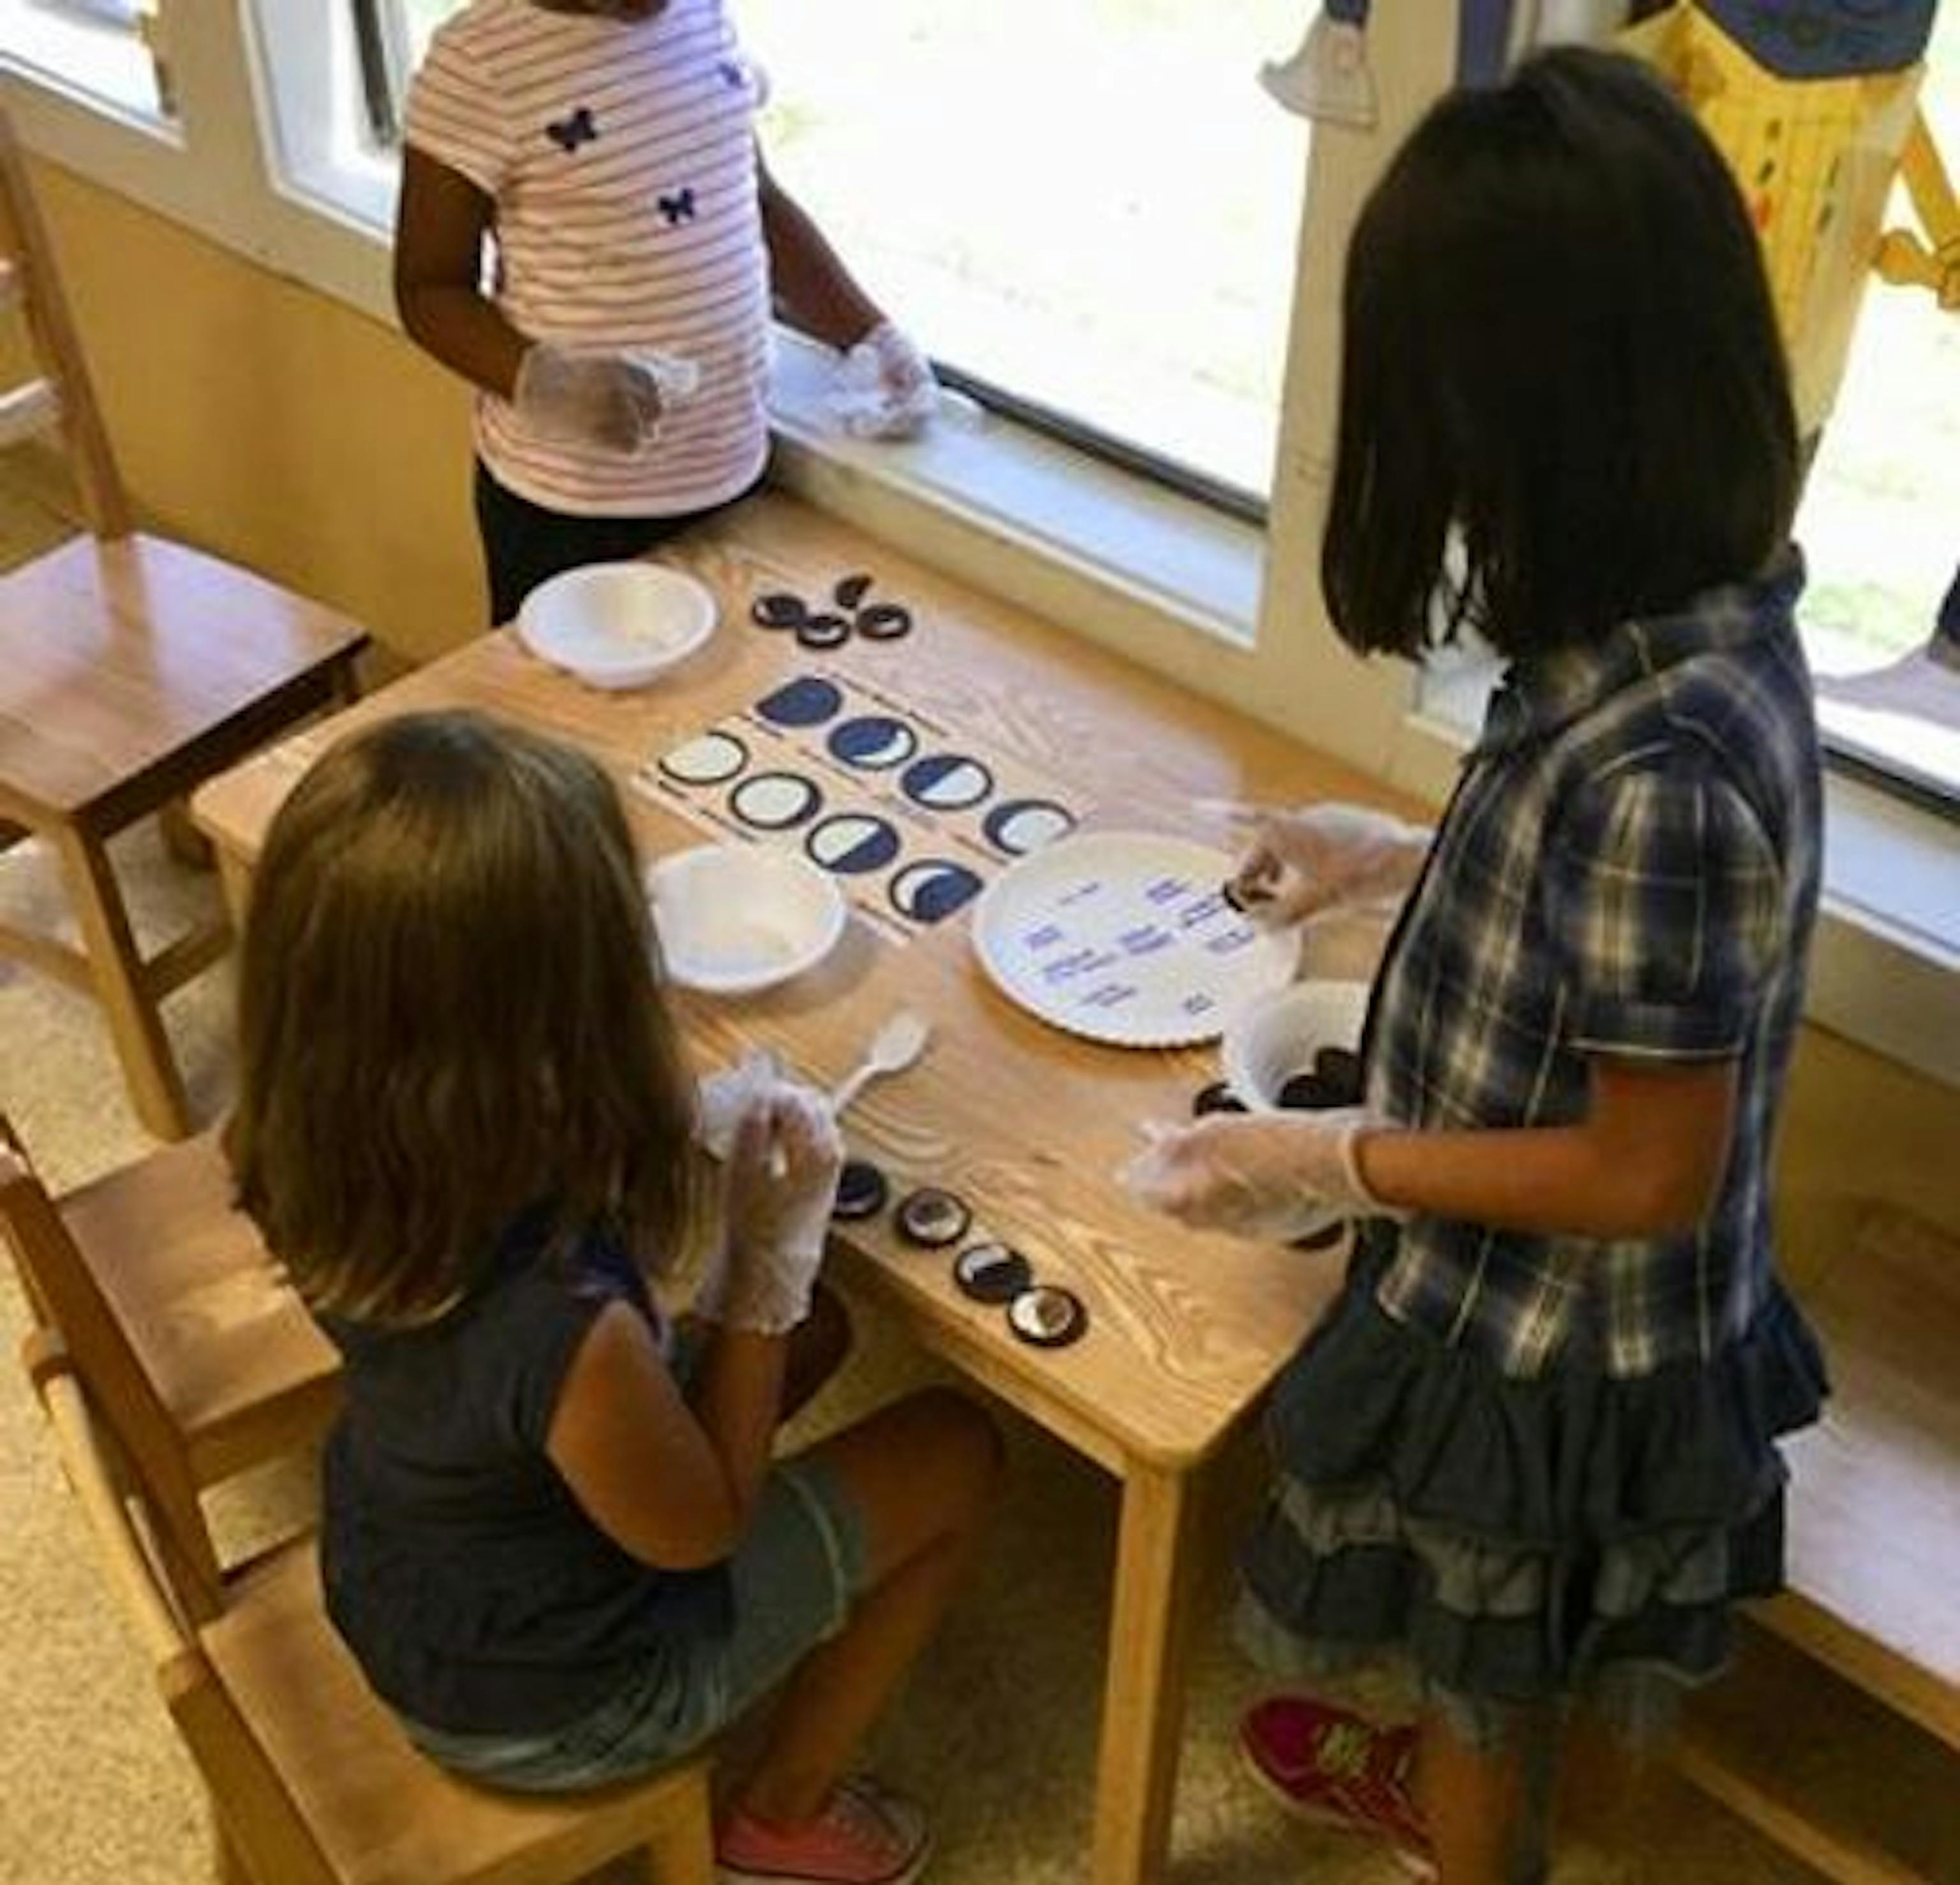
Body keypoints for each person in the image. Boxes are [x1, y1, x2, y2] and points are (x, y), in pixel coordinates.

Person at [1128, 47, 1827, 1885]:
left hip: (1551, 1343)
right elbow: (1589, 924)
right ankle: (1482, 1799)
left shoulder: (1664, 765)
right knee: (1501, 1664)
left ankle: (1466, 1840)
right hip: (1533, 1296)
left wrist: (1324, 1157)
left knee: (1480, 1674)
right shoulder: (1673, 629)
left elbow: (1645, 1168)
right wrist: (1383, 852)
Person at [228, 710, 999, 1885]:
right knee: (956, 1450)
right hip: (557, 1704)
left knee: (823, 1327)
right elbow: (702, 1530)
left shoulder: (307, 1141)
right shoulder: (560, 1326)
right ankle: (780, 1817)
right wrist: (760, 1262)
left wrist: (719, 1234)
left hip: (402, 1572)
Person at [394, 0, 937, 626]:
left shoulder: (701, 15)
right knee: (564, 688)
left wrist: (871, 336)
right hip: (571, 506)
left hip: (726, 470)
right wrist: (542, 380)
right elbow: (429, 289)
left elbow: (754, 200)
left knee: (726, 679)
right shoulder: (480, 62)